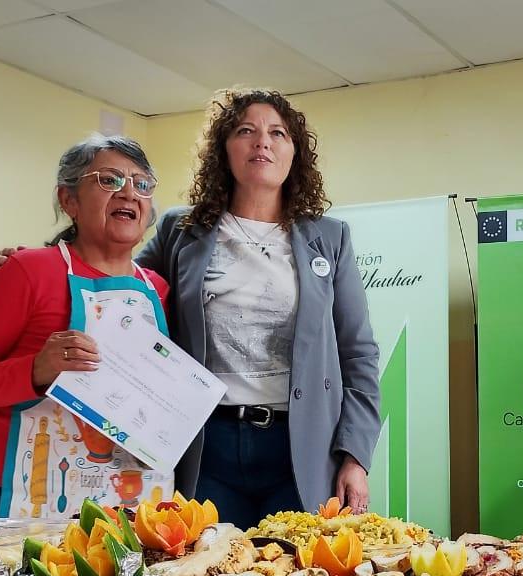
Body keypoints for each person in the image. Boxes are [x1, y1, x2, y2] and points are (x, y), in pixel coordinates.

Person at [137, 88, 380, 528]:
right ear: (224, 150)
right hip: (205, 443)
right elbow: (117, 283)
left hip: (301, 446)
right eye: (245, 130)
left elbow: (358, 353)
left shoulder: (330, 237)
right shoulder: (181, 228)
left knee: (294, 565)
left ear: (294, 153)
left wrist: (355, 456)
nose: (262, 141)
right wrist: (47, 259)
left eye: (277, 133)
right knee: (209, 565)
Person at [0, 135, 169, 517]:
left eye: (141, 184)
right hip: (11, 490)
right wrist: (34, 370)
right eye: (109, 180)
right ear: (69, 200)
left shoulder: (157, 291)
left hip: (121, 495)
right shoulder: (26, 271)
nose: (129, 193)